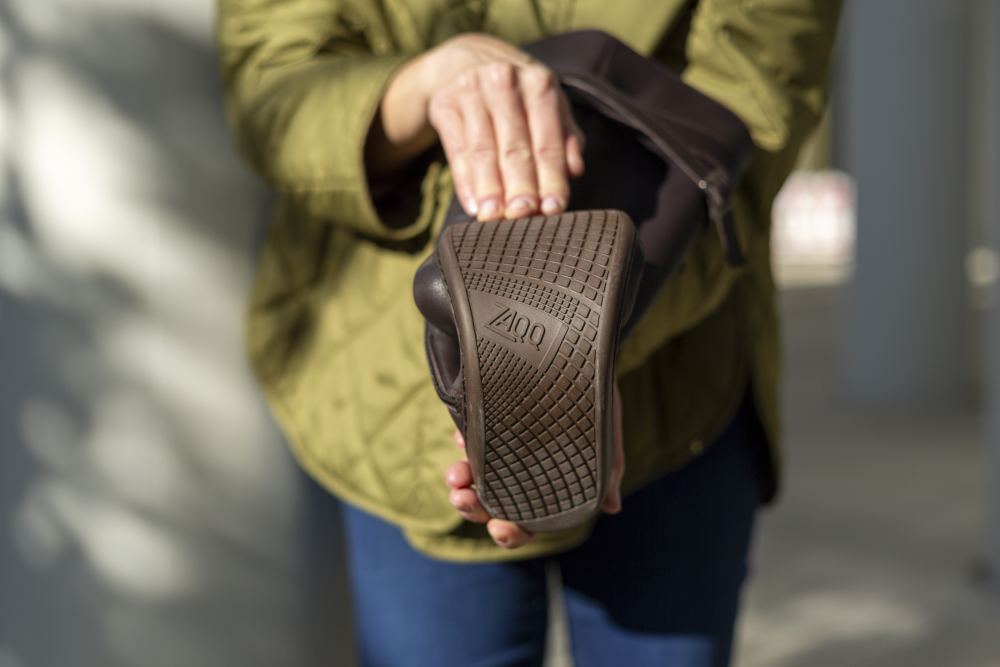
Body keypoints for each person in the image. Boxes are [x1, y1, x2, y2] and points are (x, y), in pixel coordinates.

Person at [216, 2, 842, 665]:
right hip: (390, 389)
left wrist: (583, 329)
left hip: (682, 378)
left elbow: (756, 88)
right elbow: (273, 75)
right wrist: (425, 87)